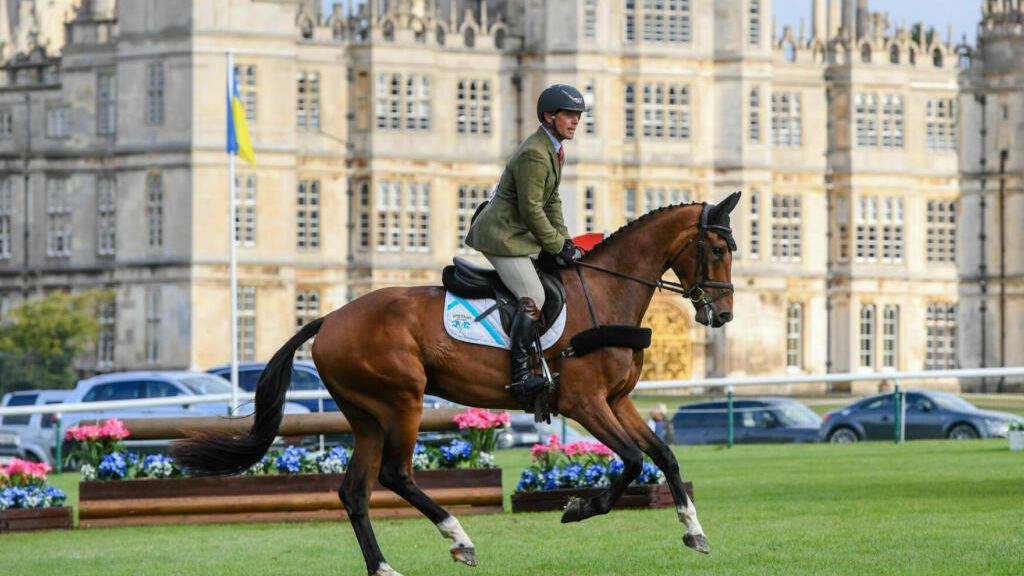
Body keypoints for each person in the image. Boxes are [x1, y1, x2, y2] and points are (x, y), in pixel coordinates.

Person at [464, 84, 587, 402]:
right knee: (533, 294)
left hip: (521, 235)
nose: (575, 121)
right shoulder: (534, 152)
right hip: (503, 237)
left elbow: (552, 202)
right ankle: (520, 374)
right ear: (549, 116)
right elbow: (532, 210)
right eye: (570, 115)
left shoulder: (553, 148)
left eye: (578, 116)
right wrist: (557, 245)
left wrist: (565, 242)